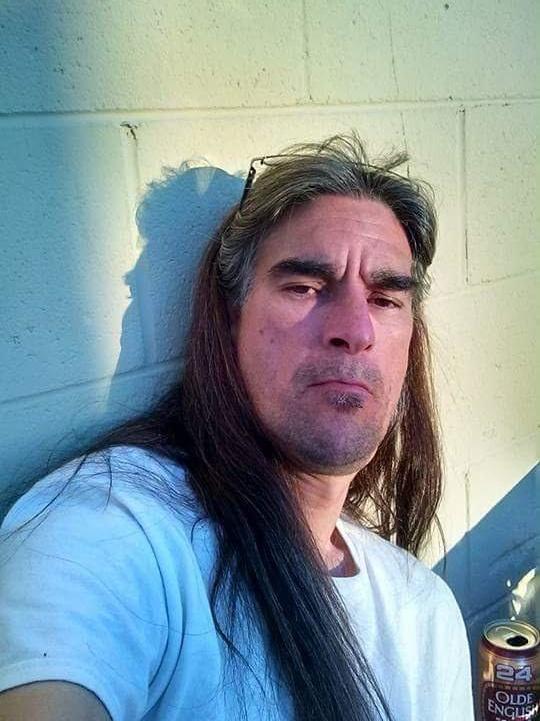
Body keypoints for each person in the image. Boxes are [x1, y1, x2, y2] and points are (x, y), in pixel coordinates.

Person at [0, 134, 474, 721]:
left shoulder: (423, 609)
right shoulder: (115, 527)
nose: (356, 331)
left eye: (385, 299)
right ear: (231, 319)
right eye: (304, 287)